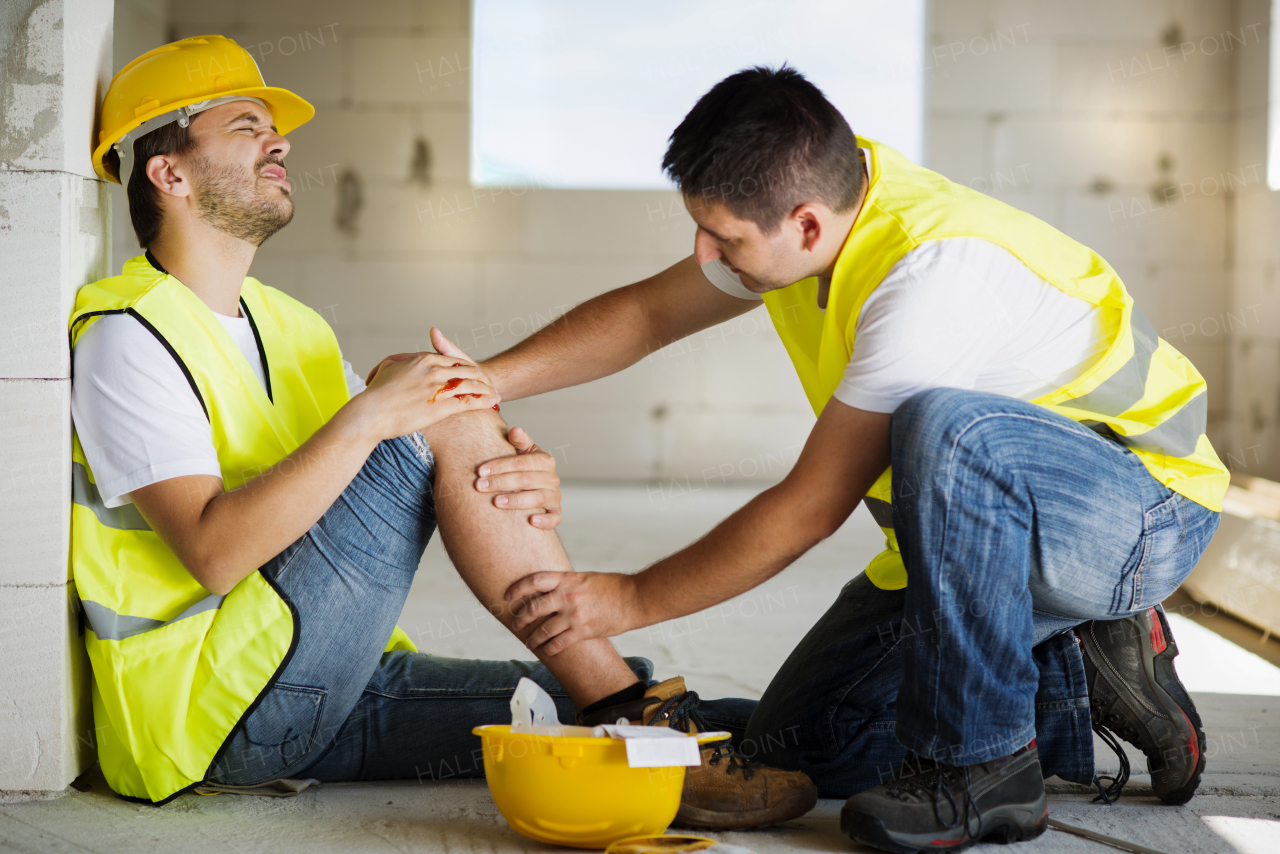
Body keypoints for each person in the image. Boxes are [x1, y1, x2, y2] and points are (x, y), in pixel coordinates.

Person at [461, 67, 1224, 852]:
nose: (705, 253)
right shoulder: (819, 211)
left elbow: (809, 508)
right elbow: (648, 314)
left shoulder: (929, 278)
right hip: (996, 544)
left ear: (806, 224)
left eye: (724, 238)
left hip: (1140, 512)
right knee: (798, 747)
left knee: (950, 428)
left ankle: (986, 765)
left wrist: (627, 597)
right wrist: (483, 380)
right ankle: (1075, 661)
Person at [73, 37, 817, 829]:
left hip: (326, 681)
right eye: (247, 124)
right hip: (215, 714)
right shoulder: (128, 333)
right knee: (438, 393)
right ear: (170, 172)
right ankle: (632, 711)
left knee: (725, 721)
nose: (280, 141)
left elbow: (404, 458)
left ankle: (654, 717)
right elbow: (215, 555)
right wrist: (394, 417)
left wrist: (511, 470)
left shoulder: (291, 327)